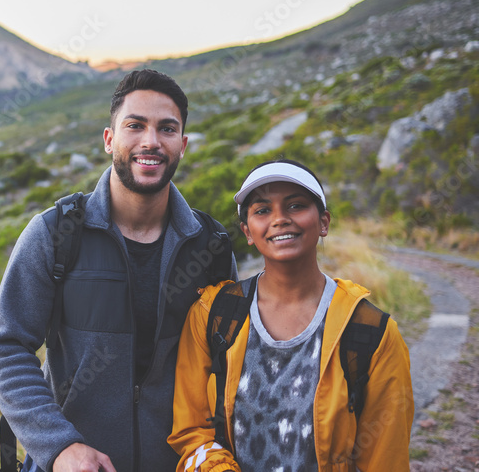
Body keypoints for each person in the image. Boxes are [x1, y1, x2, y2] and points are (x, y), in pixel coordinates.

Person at [0, 69, 238, 472]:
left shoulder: (211, 247)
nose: (151, 141)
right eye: (135, 126)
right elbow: (6, 347)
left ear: (183, 145)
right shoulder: (55, 234)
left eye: (167, 129)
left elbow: (229, 369)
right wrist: (60, 446)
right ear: (109, 140)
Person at [168, 160, 414, 471]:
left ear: (323, 222)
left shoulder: (371, 332)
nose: (280, 219)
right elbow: (191, 433)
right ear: (247, 231)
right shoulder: (213, 314)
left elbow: (385, 457)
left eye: (296, 205)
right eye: (262, 210)